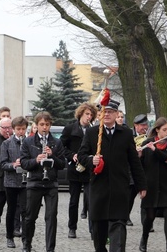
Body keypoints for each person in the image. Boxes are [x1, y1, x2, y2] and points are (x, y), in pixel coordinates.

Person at [78, 99, 147, 252]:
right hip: (99, 189)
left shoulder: (126, 133)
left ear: (117, 114)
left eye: (110, 111)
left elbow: (134, 162)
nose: (107, 114)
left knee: (118, 233)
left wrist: (141, 185)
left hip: (119, 190)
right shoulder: (92, 133)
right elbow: (81, 155)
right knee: (99, 235)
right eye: (104, 111)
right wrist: (91, 160)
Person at [20, 111, 66, 252]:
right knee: (30, 217)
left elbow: (62, 164)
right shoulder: (28, 141)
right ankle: (27, 244)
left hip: (51, 183)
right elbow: (23, 162)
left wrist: (52, 157)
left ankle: (50, 248)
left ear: (50, 125)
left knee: (51, 218)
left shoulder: (56, 142)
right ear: (36, 125)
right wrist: (36, 160)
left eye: (47, 124)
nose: (44, 127)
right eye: (41, 124)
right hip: (34, 182)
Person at [139, 117, 167, 252]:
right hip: (151, 185)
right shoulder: (147, 143)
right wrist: (138, 155)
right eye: (164, 130)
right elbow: (141, 166)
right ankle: (144, 239)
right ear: (157, 130)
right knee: (150, 216)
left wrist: (156, 151)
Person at [60, 102, 97, 239]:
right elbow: (62, 147)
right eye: (87, 114)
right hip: (74, 169)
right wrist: (71, 155)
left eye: (91, 115)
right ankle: (72, 228)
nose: (89, 117)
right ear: (81, 113)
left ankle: (93, 229)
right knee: (74, 201)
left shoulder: (94, 130)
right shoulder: (70, 129)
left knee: (91, 200)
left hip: (89, 169)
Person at [0, 116, 29, 248]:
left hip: (25, 182)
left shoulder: (29, 142)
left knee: (25, 211)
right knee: (11, 210)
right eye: (18, 129)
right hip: (11, 182)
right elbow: (2, 164)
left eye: (23, 129)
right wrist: (13, 164)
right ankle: (9, 236)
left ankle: (25, 239)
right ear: (13, 129)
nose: (20, 132)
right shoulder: (6, 143)